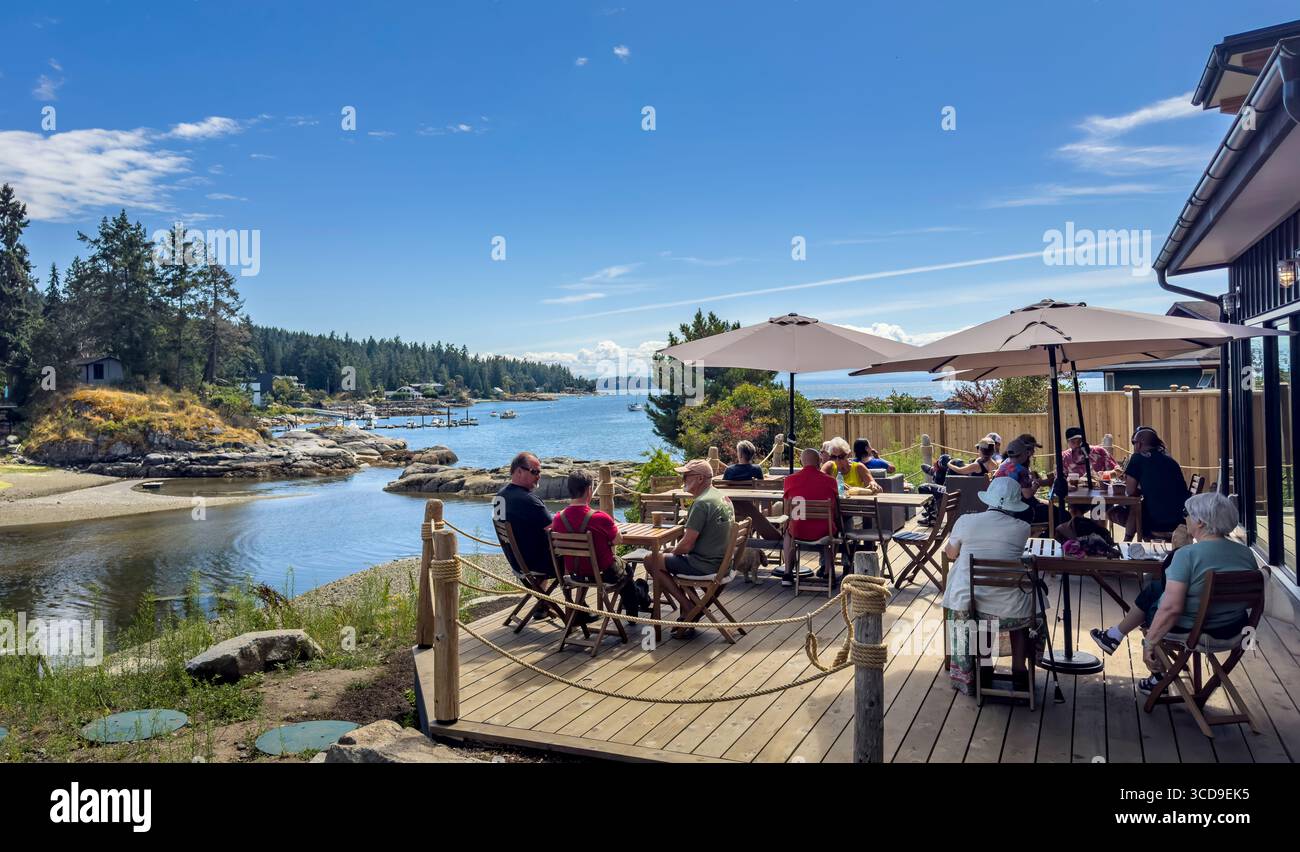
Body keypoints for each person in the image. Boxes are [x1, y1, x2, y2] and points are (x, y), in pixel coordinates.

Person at [1090, 492, 1258, 693]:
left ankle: (1158, 674)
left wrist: (1149, 643)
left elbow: (1171, 609)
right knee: (1157, 590)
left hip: (1195, 629)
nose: (1184, 517)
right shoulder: (1246, 554)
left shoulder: (1188, 555)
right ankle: (1115, 636)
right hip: (1233, 629)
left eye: (1186, 513)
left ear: (1201, 522)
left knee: (1157, 601)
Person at [942, 477, 1039, 695]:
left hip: (971, 605)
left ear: (990, 499)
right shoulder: (1022, 528)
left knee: (983, 611)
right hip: (1011, 607)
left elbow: (951, 553)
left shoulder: (966, 521)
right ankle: (1018, 669)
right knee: (1019, 606)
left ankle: (983, 667)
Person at [644, 459, 735, 635]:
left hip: (704, 565)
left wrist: (671, 551)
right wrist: (674, 553)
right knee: (670, 558)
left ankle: (688, 607)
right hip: (724, 564)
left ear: (700, 478)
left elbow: (686, 545)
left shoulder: (701, 503)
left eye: (686, 476)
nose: (683, 480)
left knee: (651, 560)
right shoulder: (722, 497)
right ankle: (690, 611)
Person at [781, 447, 839, 586]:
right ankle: (828, 572)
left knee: (788, 531)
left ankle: (787, 573)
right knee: (831, 530)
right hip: (824, 531)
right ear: (819, 462)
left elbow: (787, 510)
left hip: (798, 531)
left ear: (801, 462)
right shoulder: (831, 481)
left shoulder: (789, 480)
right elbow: (835, 509)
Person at [1119, 426, 1188, 538]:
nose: (1134, 446)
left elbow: (1130, 491)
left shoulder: (1137, 458)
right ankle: (1127, 541)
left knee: (1126, 509)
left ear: (1139, 444)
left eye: (1134, 442)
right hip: (1180, 520)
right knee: (1138, 506)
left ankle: (1127, 542)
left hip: (1156, 522)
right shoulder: (1171, 461)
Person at [494, 452, 552, 576]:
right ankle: (572, 594)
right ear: (519, 471)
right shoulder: (529, 500)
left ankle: (541, 594)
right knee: (581, 555)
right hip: (538, 564)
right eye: (534, 472)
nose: (539, 476)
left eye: (539, 472)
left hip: (516, 562)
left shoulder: (499, 496)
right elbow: (553, 529)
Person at [994, 434, 1053, 525]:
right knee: (1060, 514)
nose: (1033, 452)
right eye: (1032, 449)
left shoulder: (1008, 462)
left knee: (1049, 506)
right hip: (1016, 512)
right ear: (1026, 451)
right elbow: (1027, 494)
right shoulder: (1020, 467)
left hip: (1002, 508)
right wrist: (1037, 485)